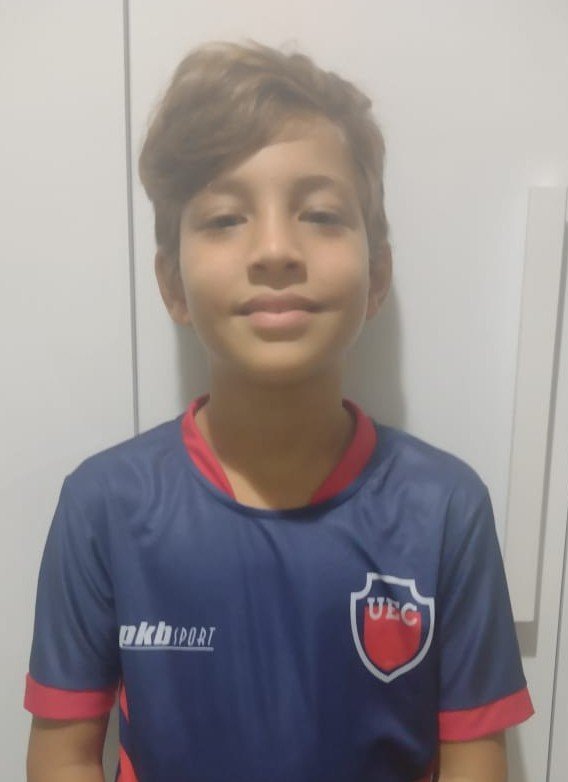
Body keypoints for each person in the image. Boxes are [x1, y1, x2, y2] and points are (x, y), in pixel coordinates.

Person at [24, 38, 534, 782]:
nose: (274, 249)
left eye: (320, 214)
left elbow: (474, 757)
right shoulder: (103, 506)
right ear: (172, 285)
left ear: (377, 276)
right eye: (225, 219)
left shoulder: (445, 508)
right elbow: (64, 753)